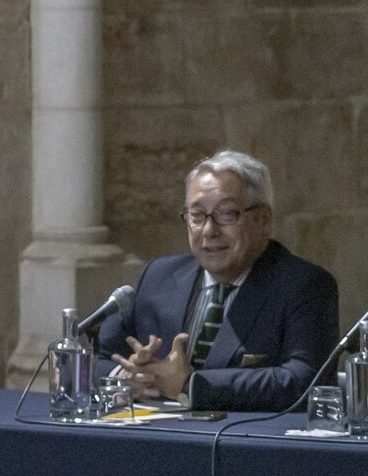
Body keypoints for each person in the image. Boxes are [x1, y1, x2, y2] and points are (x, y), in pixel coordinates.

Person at [96, 151, 340, 411]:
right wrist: (126, 379)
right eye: (197, 215)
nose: (209, 230)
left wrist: (191, 385)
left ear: (263, 220)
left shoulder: (304, 285)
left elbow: (304, 380)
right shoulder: (158, 276)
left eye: (226, 214)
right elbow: (96, 359)